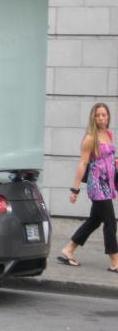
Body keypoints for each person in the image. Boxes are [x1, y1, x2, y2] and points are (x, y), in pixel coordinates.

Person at [58, 102, 118, 272]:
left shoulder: (109, 134)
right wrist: (75, 190)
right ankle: (115, 261)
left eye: (103, 115)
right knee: (110, 222)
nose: (101, 118)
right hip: (97, 185)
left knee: (94, 221)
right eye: (97, 115)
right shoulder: (90, 138)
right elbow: (82, 164)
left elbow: (108, 158)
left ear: (108, 117)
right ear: (93, 117)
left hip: (108, 183)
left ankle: (68, 249)